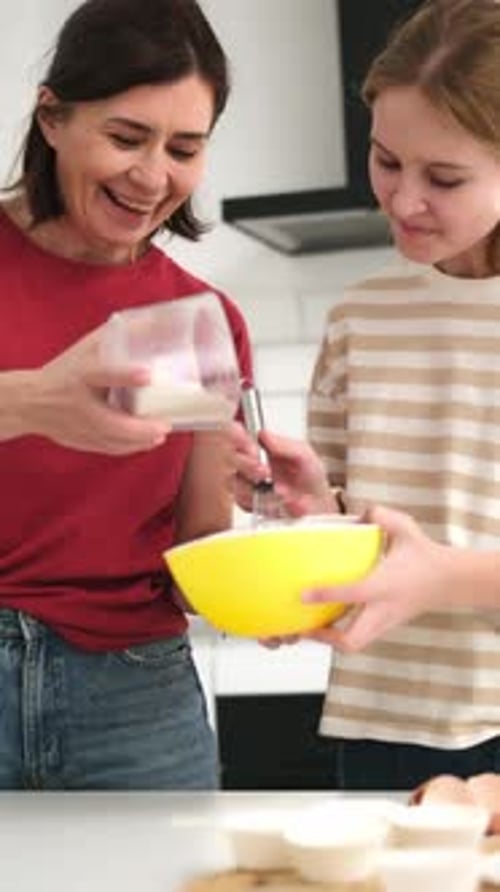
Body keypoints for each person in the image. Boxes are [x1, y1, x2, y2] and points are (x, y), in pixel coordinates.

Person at [234, 0, 500, 790]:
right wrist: (314, 510)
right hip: (382, 719)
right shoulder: (361, 316)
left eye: (444, 177)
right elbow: (361, 533)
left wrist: (438, 579)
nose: (402, 198)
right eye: (387, 161)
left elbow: (424, 564)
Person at [0, 0, 252, 790]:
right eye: (125, 137)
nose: (152, 177)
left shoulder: (201, 322)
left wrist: (281, 552)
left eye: (184, 148)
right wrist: (36, 399)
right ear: (52, 117)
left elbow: (196, 549)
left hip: (135, 697)